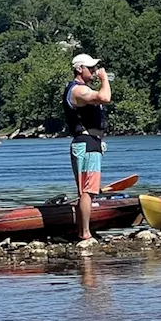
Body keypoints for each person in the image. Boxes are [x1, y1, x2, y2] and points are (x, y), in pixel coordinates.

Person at [64, 52, 111, 242]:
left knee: (87, 191)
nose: (93, 71)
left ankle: (84, 230)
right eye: (89, 68)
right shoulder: (78, 91)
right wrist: (105, 79)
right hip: (86, 144)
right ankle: (84, 233)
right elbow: (105, 97)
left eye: (94, 68)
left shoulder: (81, 89)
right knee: (88, 191)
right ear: (79, 69)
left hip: (89, 143)